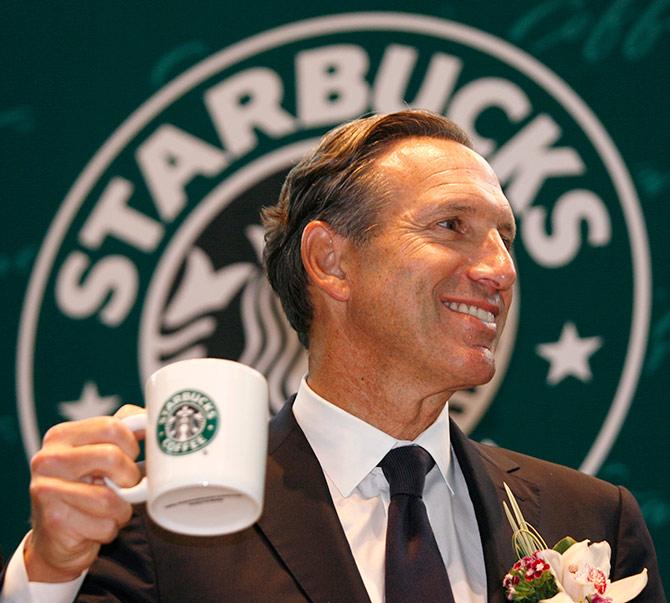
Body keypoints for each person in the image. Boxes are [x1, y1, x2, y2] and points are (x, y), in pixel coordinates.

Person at [1, 110, 665, 602]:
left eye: (505, 236)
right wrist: (51, 573)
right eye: (451, 226)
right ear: (330, 261)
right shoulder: (170, 522)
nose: (500, 268)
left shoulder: (588, 517)